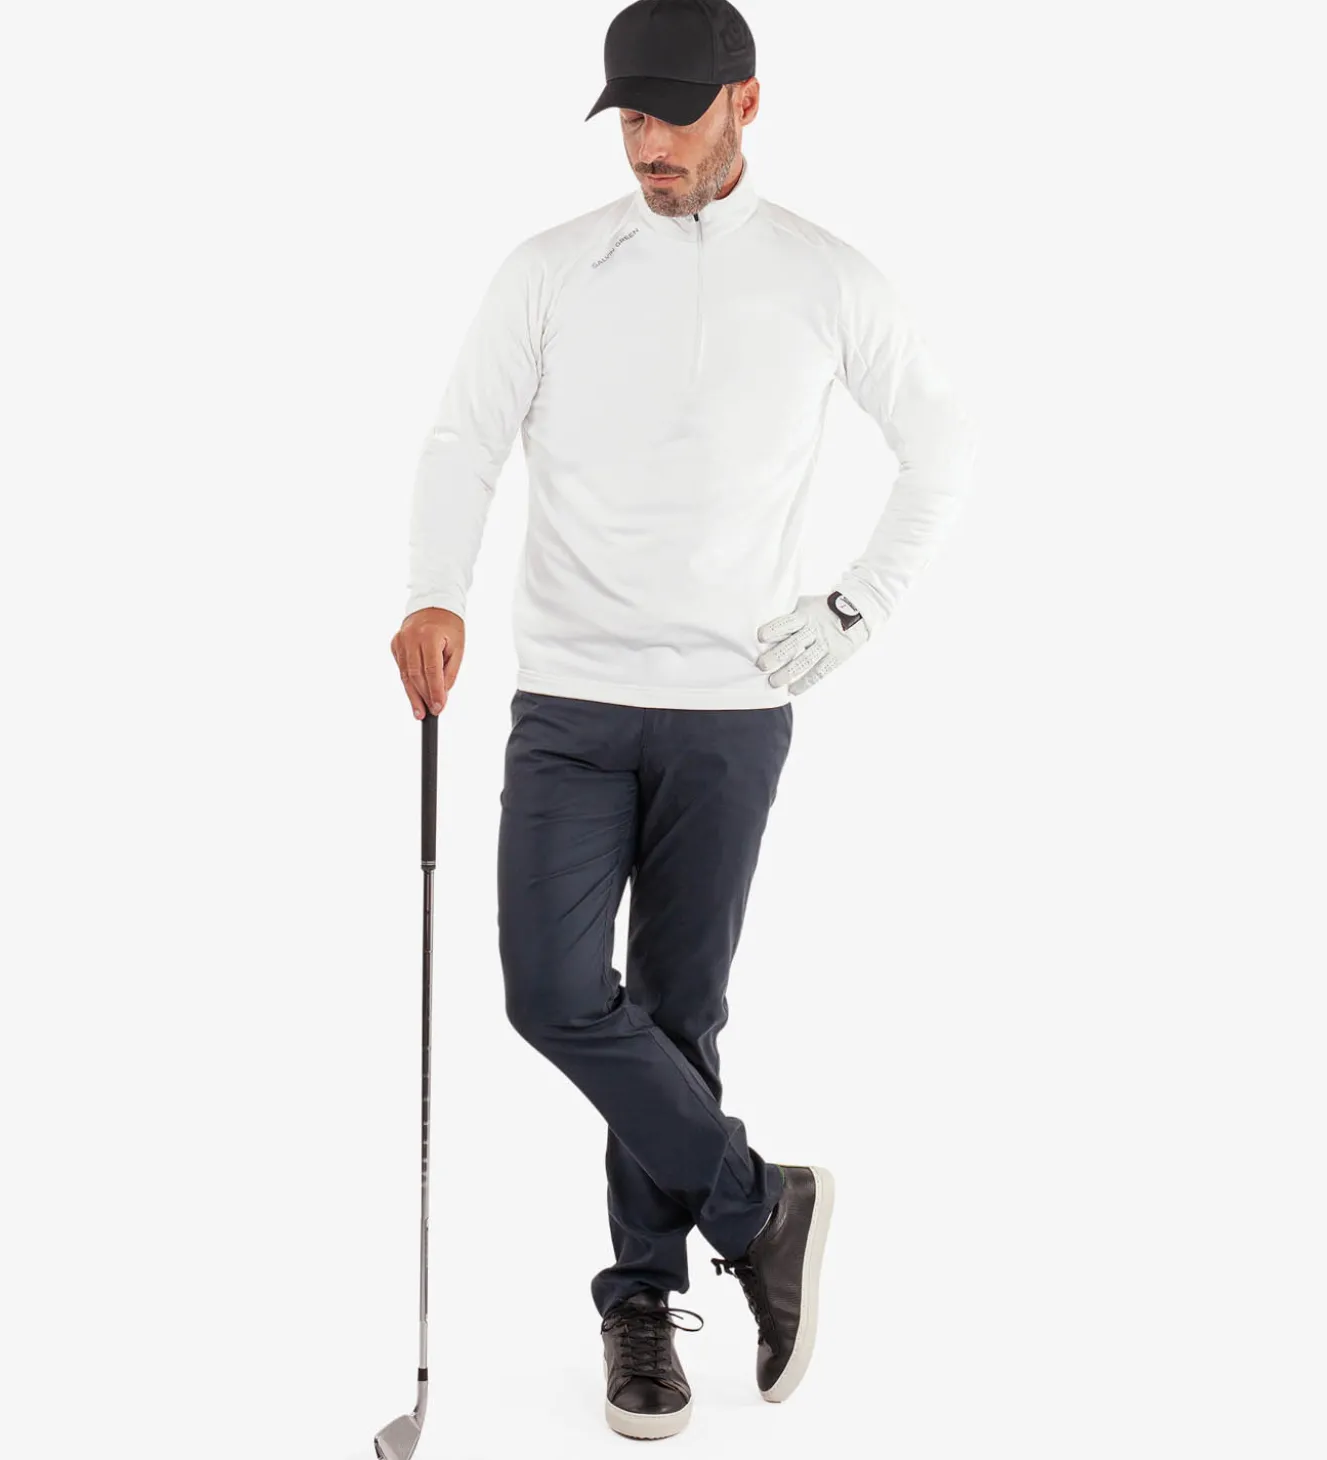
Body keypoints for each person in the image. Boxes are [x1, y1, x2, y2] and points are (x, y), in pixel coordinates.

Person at [389, 0, 975, 1440]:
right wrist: (435, 589)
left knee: (677, 1016)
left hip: (730, 709)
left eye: (673, 116)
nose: (649, 145)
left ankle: (642, 1305)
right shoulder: (552, 269)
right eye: (632, 119)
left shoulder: (825, 277)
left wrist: (856, 609)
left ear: (746, 104)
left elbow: (940, 445)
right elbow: (464, 436)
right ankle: (760, 1205)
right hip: (571, 704)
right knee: (551, 993)